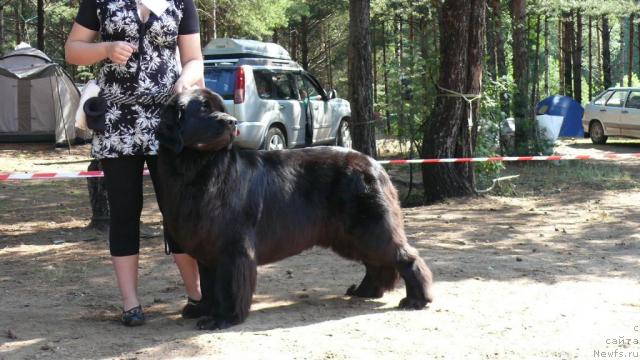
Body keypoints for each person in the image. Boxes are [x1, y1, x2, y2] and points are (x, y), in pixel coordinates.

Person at [65, 0, 205, 326]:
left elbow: (195, 58)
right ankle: (131, 304)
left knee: (177, 211)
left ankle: (197, 296)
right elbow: (72, 50)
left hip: (167, 120)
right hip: (116, 121)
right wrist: (106, 48)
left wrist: (185, 79)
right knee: (125, 212)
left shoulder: (180, 2)